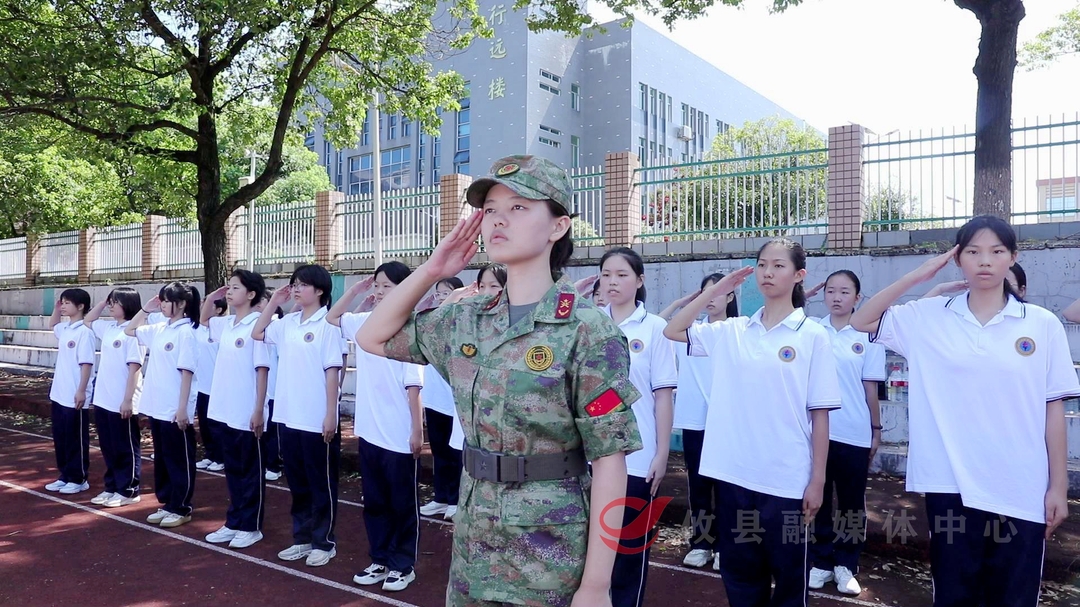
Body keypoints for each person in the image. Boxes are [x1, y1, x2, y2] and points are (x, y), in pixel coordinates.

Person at [353, 155, 643, 607]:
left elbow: (609, 462)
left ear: (558, 226)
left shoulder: (588, 331)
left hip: (549, 547)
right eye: (490, 209)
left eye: (519, 207)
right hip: (475, 535)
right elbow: (371, 336)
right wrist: (432, 270)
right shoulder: (465, 318)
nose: (498, 220)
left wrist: (595, 587)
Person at [851, 215, 1079, 607]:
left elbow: (1052, 409)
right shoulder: (929, 317)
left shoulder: (1041, 325)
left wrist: (1057, 486)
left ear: (1013, 257)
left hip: (1020, 487)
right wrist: (921, 275)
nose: (985, 261)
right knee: (955, 593)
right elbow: (862, 319)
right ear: (957, 259)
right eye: (973, 252)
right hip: (950, 485)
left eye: (996, 251)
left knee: (1014, 595)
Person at [663, 239, 841, 607]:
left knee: (790, 578)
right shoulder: (733, 331)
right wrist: (716, 289)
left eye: (778, 265)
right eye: (761, 265)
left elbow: (820, 414)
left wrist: (818, 480)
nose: (767, 273)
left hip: (786, 479)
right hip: (734, 476)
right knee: (741, 577)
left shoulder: (812, 335)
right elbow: (674, 329)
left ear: (799, 275)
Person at [329, 262, 426, 593]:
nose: (381, 291)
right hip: (369, 430)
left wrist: (416, 431)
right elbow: (333, 318)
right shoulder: (363, 321)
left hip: (398, 434)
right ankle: (380, 559)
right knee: (374, 502)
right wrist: (357, 291)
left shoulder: (409, 328)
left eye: (388, 286)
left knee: (402, 504)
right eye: (378, 285)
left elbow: (413, 387)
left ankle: (403, 565)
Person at [598, 247, 677, 607]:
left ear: (640, 280)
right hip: (590, 456)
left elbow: (663, 396)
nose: (612, 282)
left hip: (637, 457)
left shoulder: (655, 328)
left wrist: (661, 453)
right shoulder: (590, 323)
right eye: (606, 275)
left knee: (629, 548)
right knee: (590, 547)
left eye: (622, 275)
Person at [252, 264, 344, 568]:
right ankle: (302, 538)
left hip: (316, 418)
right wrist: (274, 303)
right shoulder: (288, 322)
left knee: (321, 483)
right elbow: (257, 332)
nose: (296, 289)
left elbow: (332, 372)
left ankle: (323, 542)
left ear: (320, 290)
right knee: (298, 483)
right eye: (294, 284)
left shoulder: (328, 324)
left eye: (302, 284)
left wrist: (330, 414)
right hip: (288, 415)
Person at [805, 270, 886, 595]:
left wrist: (875, 430)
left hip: (854, 433)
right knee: (818, 499)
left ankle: (846, 565)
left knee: (852, 503)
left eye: (844, 291)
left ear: (857, 297)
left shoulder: (869, 335)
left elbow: (870, 390)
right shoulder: (813, 330)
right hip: (817, 433)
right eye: (831, 291)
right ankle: (822, 561)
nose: (836, 298)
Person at [658, 272, 739, 571]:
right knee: (699, 487)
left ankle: (726, 547)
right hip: (695, 422)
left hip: (728, 423)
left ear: (730, 296)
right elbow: (659, 327)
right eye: (706, 292)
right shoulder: (690, 332)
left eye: (718, 292)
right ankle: (702, 543)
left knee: (728, 489)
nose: (711, 298)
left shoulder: (738, 332)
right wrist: (680, 304)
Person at [201, 270, 268, 550]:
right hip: (225, 408)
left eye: (236, 287)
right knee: (233, 470)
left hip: (247, 410)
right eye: (228, 287)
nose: (229, 291)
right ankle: (234, 521)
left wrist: (259, 409)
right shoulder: (226, 324)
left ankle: (250, 526)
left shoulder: (258, 325)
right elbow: (204, 320)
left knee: (249, 471)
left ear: (251, 294)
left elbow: (262, 370)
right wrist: (212, 297)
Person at [126, 282, 201, 528]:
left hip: (174, 407)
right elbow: (129, 330)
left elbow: (187, 372)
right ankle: (168, 502)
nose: (163, 305)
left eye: (167, 300)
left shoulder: (186, 332)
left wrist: (183, 408)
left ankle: (181, 506)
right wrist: (146, 309)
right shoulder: (160, 328)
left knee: (179, 459)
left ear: (182, 304)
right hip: (156, 405)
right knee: (163, 457)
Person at [82, 288, 146, 508]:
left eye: (115, 302)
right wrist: (102, 302)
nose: (111, 306)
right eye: (110, 302)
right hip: (103, 399)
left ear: (127, 304)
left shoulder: (134, 333)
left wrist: (128, 399)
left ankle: (129, 489)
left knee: (125, 447)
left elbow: (135, 369)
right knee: (108, 446)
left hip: (122, 400)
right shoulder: (109, 328)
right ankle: (112, 486)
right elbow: (88, 321)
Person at [419, 276, 466, 521]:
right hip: (433, 398)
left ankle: (455, 500)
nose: (440, 297)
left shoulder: (462, 321)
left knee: (454, 451)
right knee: (438, 450)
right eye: (438, 293)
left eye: (446, 292)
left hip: (453, 400)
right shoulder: (432, 320)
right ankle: (440, 497)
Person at [45, 289, 97, 495]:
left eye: (67, 303)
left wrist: (82, 390)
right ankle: (65, 475)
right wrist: (56, 309)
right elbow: (53, 325)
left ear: (81, 306)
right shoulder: (66, 328)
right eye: (63, 302)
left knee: (76, 438)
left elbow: (86, 364)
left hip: (75, 393)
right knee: (61, 437)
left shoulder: (85, 331)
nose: (63, 306)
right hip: (59, 392)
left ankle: (78, 478)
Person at [195, 297, 228, 472]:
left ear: (219, 310)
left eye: (209, 304)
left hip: (217, 385)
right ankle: (210, 454)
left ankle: (221, 457)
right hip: (201, 384)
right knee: (204, 423)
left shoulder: (222, 328)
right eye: (203, 303)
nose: (203, 306)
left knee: (217, 425)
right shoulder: (198, 328)